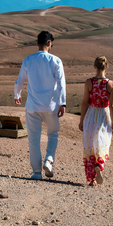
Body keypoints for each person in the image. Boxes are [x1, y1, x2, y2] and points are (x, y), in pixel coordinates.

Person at [14, 31, 66, 180]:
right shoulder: (56, 61)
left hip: (33, 106)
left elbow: (20, 80)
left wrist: (17, 95)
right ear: (49, 43)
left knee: (33, 139)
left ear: (37, 43)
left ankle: (36, 172)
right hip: (51, 106)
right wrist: (63, 102)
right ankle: (49, 160)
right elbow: (61, 84)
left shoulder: (28, 60)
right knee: (53, 134)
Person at [78, 56, 113, 186]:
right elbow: (112, 105)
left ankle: (92, 178)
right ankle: (99, 165)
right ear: (106, 67)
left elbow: (84, 103)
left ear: (95, 67)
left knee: (90, 144)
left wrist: (81, 120)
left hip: (91, 114)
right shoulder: (111, 84)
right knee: (102, 143)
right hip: (104, 116)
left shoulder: (89, 83)